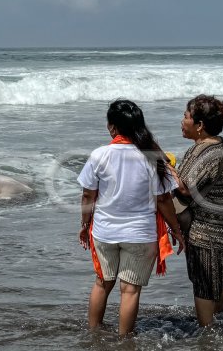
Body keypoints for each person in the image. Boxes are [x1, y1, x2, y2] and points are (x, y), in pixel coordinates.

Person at [78, 100, 185, 336]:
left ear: (112, 127)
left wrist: (85, 225)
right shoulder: (151, 157)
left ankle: (93, 335)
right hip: (140, 234)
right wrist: (176, 229)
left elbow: (88, 195)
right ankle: (124, 342)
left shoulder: (99, 155)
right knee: (130, 290)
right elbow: (164, 200)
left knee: (102, 283)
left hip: (105, 232)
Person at [172, 95, 223, 328]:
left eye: (186, 116)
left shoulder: (207, 153)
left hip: (207, 231)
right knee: (222, 281)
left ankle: (207, 337)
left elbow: (184, 189)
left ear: (200, 125)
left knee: (204, 284)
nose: (182, 121)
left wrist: (163, 165)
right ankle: (219, 326)